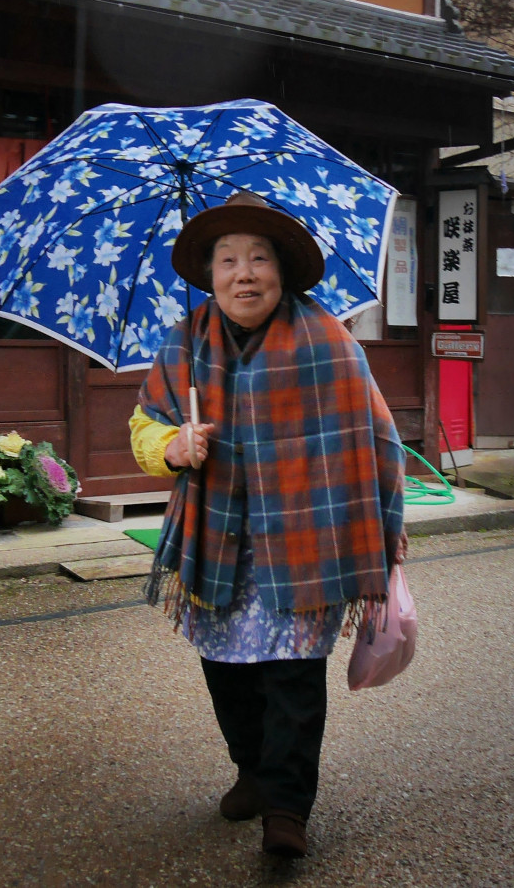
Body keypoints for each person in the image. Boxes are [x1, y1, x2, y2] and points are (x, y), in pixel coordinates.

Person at [129, 190, 406, 860]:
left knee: (291, 676)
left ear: (282, 270)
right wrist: (172, 446)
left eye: (258, 258)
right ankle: (250, 769)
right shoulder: (184, 342)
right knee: (225, 668)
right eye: (227, 259)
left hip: (309, 542)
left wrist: (387, 535)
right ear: (210, 272)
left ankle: (286, 807)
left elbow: (378, 438)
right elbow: (143, 425)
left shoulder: (329, 341)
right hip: (217, 541)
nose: (243, 272)